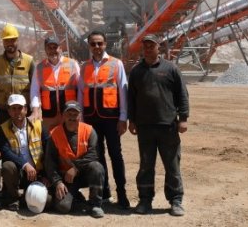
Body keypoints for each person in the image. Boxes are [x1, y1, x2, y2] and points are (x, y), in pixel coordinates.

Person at [127, 33, 189, 217]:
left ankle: (176, 200)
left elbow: (182, 95)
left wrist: (183, 118)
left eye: (151, 45)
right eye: (145, 46)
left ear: (158, 47)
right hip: (145, 127)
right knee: (146, 165)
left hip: (168, 125)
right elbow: (131, 99)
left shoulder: (171, 69)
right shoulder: (137, 71)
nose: (148, 48)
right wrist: (132, 120)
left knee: (172, 165)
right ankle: (145, 200)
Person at [78, 30, 130, 209]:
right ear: (89, 46)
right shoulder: (84, 67)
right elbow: (81, 93)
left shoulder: (116, 64)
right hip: (91, 119)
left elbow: (123, 91)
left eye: (100, 43)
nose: (97, 47)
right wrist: (81, 119)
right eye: (93, 44)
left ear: (105, 44)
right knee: (97, 157)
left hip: (111, 118)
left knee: (116, 156)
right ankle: (104, 192)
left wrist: (123, 118)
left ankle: (122, 194)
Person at [44, 100, 105, 218]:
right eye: (68, 114)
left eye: (75, 114)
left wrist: (76, 168)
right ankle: (76, 198)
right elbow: (49, 162)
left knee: (97, 167)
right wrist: (58, 182)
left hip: (85, 175)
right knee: (63, 207)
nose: (72, 117)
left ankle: (95, 205)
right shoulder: (55, 134)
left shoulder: (89, 130)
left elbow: (94, 154)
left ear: (80, 116)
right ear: (63, 116)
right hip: (66, 178)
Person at [0, 94, 49, 212]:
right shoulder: (2, 129)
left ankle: (27, 197)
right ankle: (13, 198)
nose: (17, 112)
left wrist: (45, 174)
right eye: (13, 108)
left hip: (37, 172)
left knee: (48, 201)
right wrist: (25, 165)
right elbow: (5, 152)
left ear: (26, 109)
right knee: (7, 166)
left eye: (20, 108)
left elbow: (48, 151)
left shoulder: (39, 125)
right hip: (18, 173)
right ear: (8, 111)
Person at [30, 34, 79, 130]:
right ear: (45, 49)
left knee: (69, 142)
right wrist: (35, 111)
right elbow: (34, 91)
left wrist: (80, 110)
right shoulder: (39, 67)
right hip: (49, 116)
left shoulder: (73, 64)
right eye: (49, 47)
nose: (52, 50)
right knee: (50, 142)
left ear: (60, 48)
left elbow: (81, 89)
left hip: (69, 114)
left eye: (55, 47)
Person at [0, 23, 34, 125]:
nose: (10, 43)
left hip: (23, 109)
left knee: (24, 139)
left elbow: (35, 86)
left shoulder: (28, 61)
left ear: (17, 40)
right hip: (4, 110)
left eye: (12, 40)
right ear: (3, 42)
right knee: (4, 139)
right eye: (6, 40)